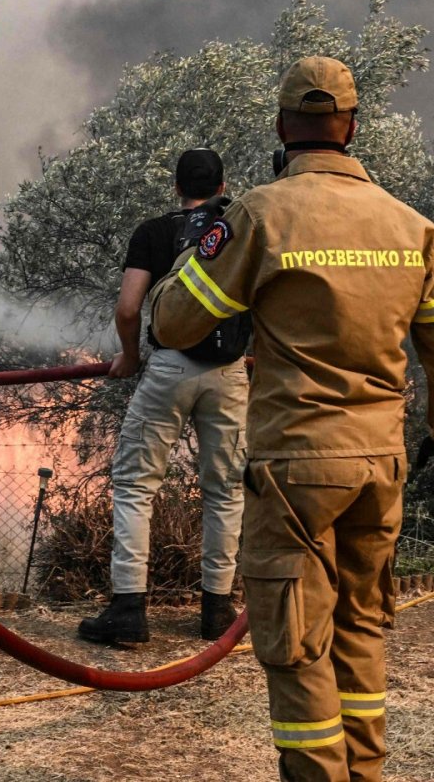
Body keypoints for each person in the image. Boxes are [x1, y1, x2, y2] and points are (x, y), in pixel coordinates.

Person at [151, 57, 434, 782]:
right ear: (353, 128)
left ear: (281, 127)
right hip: (380, 464)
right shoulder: (410, 226)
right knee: (361, 629)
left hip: (296, 466)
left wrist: (204, 244)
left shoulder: (261, 215)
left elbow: (174, 322)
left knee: (297, 642)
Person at [79, 148, 252, 644]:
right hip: (229, 372)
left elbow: (128, 309)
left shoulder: (153, 233)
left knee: (136, 486)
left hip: (170, 367)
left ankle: (128, 610)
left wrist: (131, 357)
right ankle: (217, 610)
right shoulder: (241, 230)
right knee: (225, 491)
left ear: (177, 187)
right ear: (223, 186)